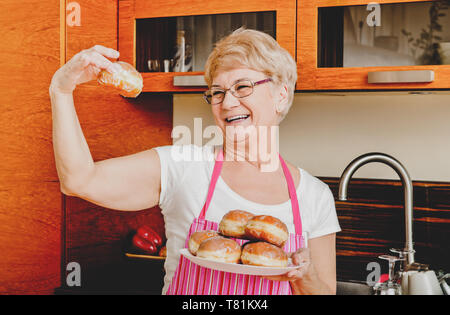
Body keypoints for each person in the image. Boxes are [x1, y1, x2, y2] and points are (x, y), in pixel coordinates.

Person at [49, 28, 341, 295]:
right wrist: (61, 91)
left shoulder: (314, 196)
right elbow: (78, 180)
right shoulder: (183, 166)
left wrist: (306, 275)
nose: (227, 103)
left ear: (281, 95)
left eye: (242, 87)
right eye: (218, 92)